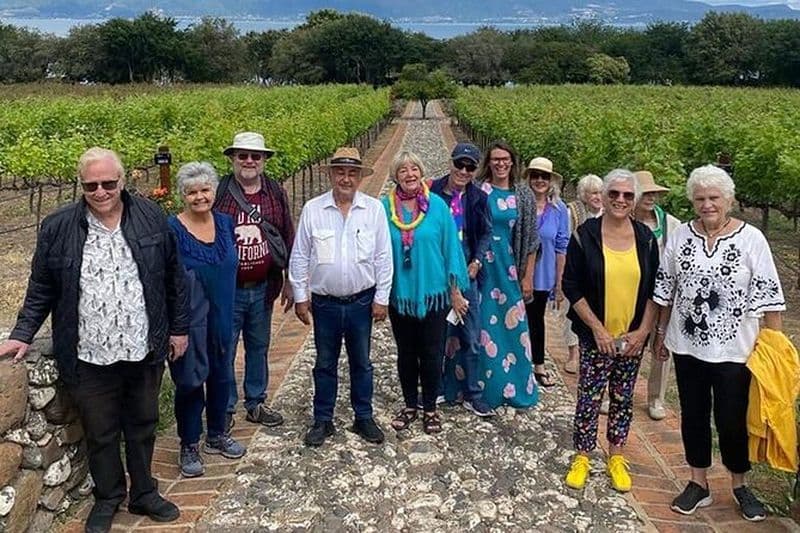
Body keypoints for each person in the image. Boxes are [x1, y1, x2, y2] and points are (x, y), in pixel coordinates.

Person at [0, 148, 188, 532]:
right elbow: (41, 287)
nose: (100, 191)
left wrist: (179, 328)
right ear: (81, 185)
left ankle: (145, 493)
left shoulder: (152, 217)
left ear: (122, 181)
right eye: (91, 185)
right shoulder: (57, 227)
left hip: (142, 344)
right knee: (100, 431)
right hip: (88, 351)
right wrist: (22, 334)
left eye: (108, 183)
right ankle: (109, 497)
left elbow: (174, 278)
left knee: (143, 423)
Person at [653, 165, 785, 522]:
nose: (707, 204)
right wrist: (660, 334)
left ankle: (740, 484)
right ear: (692, 201)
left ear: (728, 200)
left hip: (736, 351)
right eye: (700, 199)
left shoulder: (751, 239)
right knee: (693, 415)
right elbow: (666, 288)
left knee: (731, 420)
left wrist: (776, 351)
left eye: (714, 198)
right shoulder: (680, 236)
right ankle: (698, 483)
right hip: (687, 346)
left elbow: (770, 298)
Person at [289, 147, 393, 447]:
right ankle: (323, 419)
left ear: (359, 177)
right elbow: (300, 256)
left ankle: (363, 416)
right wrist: (300, 295)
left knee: (362, 362)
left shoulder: (373, 210)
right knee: (324, 363)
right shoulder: (313, 209)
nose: (346, 178)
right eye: (340, 172)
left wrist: (382, 297)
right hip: (325, 304)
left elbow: (384, 257)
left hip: (362, 301)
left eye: (352, 173)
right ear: (332, 175)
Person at [563, 169, 659, 493]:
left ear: (634, 201)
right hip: (596, 336)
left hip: (631, 339)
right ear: (603, 197)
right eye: (614, 194)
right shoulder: (585, 234)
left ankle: (617, 456)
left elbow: (655, 291)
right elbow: (571, 286)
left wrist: (643, 332)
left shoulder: (646, 240)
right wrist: (597, 329)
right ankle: (583, 456)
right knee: (589, 397)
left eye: (627, 195)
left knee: (623, 397)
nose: (620, 200)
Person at [167, 162, 245, 478]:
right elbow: (168, 279)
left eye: (205, 190)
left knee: (222, 375)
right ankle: (188, 443)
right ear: (182, 196)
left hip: (223, 314)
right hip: (191, 320)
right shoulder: (172, 230)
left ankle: (217, 434)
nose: (200, 197)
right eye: (192, 192)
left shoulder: (226, 223)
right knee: (189, 381)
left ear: (213, 190)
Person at [383, 151, 469, 434]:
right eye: (403, 170)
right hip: (401, 295)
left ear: (421, 172)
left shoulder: (438, 208)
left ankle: (430, 407)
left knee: (432, 353)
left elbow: (451, 251)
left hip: (435, 293)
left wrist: (456, 293)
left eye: (414, 169)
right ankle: (410, 404)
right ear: (395, 176)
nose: (410, 174)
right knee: (406, 353)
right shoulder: (385, 209)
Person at [214, 131, 294, 430]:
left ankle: (256, 402)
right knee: (225, 347)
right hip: (227, 291)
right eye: (243, 155)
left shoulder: (274, 192)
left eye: (255, 156)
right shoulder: (219, 192)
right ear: (233, 159)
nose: (249, 161)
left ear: (264, 161)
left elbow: (287, 233)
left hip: (263, 287)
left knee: (258, 346)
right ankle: (224, 406)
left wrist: (289, 279)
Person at [430, 143, 495, 417]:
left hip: (467, 274)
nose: (464, 171)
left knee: (470, 334)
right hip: (435, 274)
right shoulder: (431, 192)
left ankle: (472, 393)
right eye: (460, 164)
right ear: (451, 163)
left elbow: (485, 234)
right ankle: (437, 388)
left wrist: (477, 261)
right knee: (435, 336)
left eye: (470, 167)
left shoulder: (479, 198)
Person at [475, 141, 539, 409]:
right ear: (488, 163)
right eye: (495, 159)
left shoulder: (523, 195)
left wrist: (527, 277)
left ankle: (515, 385)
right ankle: (483, 387)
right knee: (481, 326)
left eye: (505, 159)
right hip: (480, 268)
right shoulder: (478, 190)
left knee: (513, 326)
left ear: (513, 162)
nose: (501, 164)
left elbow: (533, 240)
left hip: (510, 267)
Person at [632, 170, 680, 421]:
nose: (650, 197)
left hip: (663, 297)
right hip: (633, 295)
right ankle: (620, 391)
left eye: (653, 193)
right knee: (629, 343)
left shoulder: (670, 224)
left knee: (661, 346)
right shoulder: (624, 220)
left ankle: (655, 398)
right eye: (645, 192)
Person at [524, 157, 569, 389]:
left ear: (551, 181)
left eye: (544, 176)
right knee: (515, 317)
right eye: (535, 175)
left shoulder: (559, 209)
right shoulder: (520, 203)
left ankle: (538, 365)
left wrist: (559, 282)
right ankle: (516, 364)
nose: (540, 180)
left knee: (536, 318)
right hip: (519, 272)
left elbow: (562, 246)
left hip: (543, 274)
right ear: (528, 178)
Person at [563, 174, 603, 375]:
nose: (598, 197)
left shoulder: (609, 213)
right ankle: (573, 354)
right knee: (571, 311)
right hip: (576, 269)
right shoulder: (573, 211)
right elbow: (565, 240)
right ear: (584, 195)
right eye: (593, 193)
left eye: (600, 192)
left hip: (599, 273)